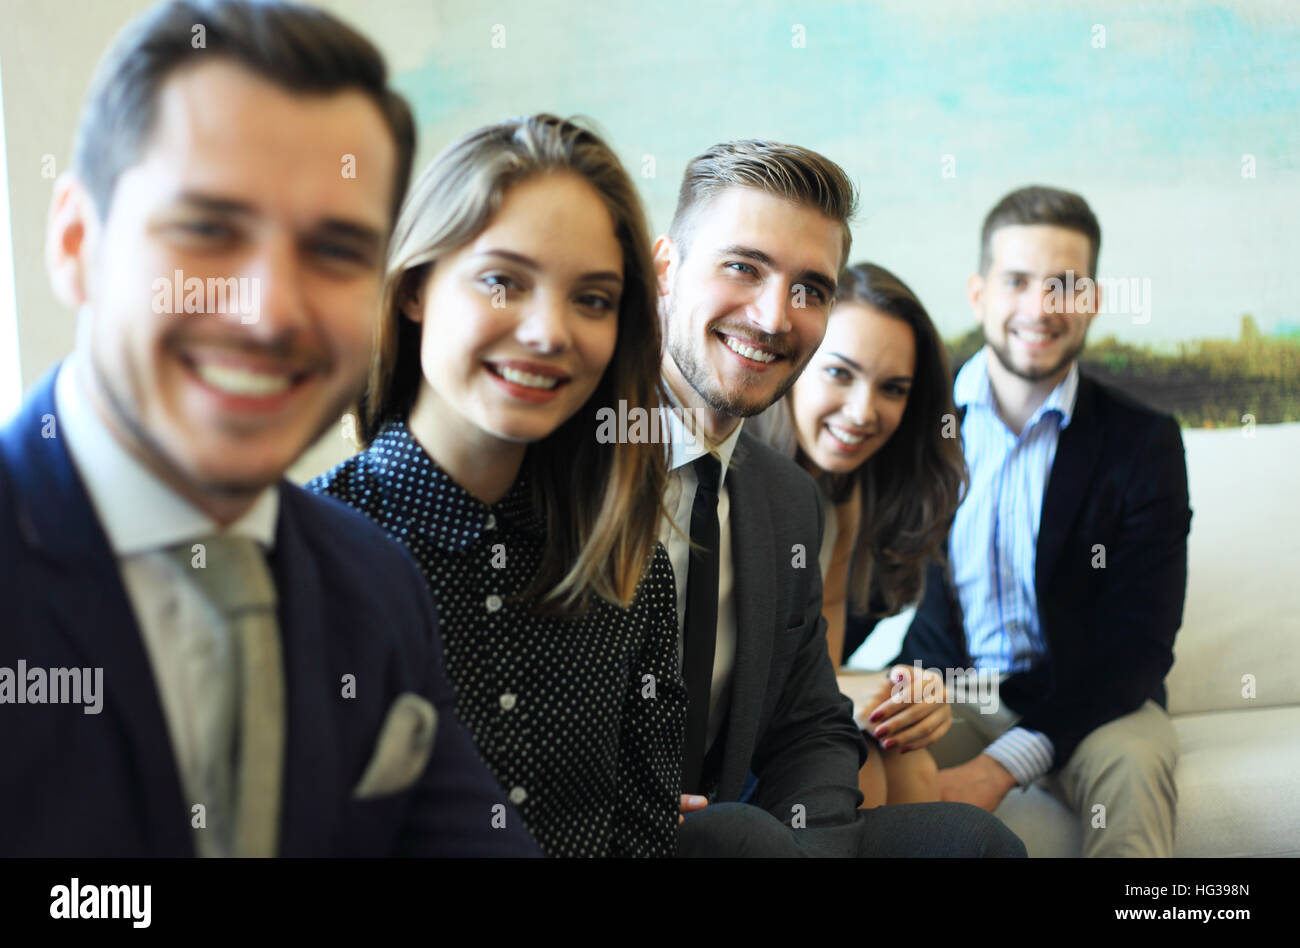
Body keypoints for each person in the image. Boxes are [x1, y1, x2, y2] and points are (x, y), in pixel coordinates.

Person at [0, 0, 537, 858]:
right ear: (74, 242)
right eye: (208, 230)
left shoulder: (373, 584)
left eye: (334, 251)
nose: (269, 312)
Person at [309, 115, 687, 858]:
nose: (550, 332)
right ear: (415, 288)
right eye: (502, 281)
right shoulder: (308, 556)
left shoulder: (630, 566)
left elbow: (644, 838)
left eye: (593, 299)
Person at [657, 140, 1026, 857]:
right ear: (665, 269)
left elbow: (810, 721)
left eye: (810, 289)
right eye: (743, 266)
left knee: (972, 844)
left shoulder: (787, 498)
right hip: (614, 825)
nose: (773, 316)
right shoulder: (575, 453)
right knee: (738, 835)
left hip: (742, 821)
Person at [878, 185, 1192, 857]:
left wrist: (998, 769)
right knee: (854, 751)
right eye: (1018, 280)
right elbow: (861, 583)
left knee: (1136, 766)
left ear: (1093, 302)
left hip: (1096, 703)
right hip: (952, 689)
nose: (1041, 308)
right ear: (979, 293)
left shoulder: (1145, 442)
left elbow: (1138, 648)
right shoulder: (917, 423)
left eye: (1066, 285)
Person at [748, 262, 966, 806]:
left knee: (904, 749)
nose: (863, 412)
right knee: (856, 767)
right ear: (794, 363)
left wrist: (905, 691)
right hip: (708, 739)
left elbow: (821, 667)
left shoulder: (847, 496)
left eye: (892, 389)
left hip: (780, 722)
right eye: (840, 373)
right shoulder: (733, 479)